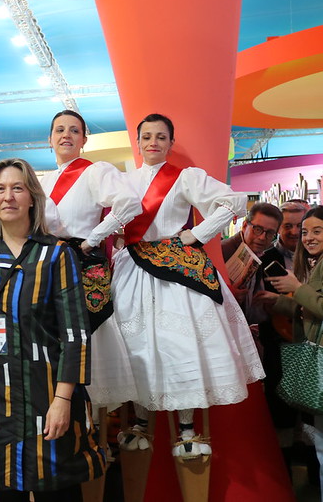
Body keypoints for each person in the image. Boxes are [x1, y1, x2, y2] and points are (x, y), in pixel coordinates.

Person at [112, 113, 263, 458]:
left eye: (160, 136)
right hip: (131, 270)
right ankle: (140, 422)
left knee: (182, 347)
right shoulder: (123, 182)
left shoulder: (184, 178)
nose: (153, 142)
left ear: (170, 142)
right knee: (136, 346)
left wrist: (198, 234)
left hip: (177, 273)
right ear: (137, 142)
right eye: (147, 136)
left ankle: (187, 430)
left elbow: (233, 202)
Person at [0, 158, 104, 501]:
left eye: (17, 188)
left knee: (58, 489)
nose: (8, 196)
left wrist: (62, 400)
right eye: (0, 189)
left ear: (32, 198)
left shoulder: (56, 254)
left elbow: (75, 334)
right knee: (6, 489)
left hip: (47, 396)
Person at [39, 109, 141, 410]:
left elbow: (129, 203)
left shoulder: (96, 172)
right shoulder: (42, 182)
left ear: (84, 139)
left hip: (82, 264)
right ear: (49, 139)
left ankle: (91, 421)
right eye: (59, 130)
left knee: (86, 337)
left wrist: (93, 239)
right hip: (48, 265)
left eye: (74, 130)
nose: (66, 135)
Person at [257, 205, 323, 494]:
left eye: (316, 231)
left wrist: (296, 288)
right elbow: (308, 309)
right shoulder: (309, 261)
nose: (305, 236)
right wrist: (279, 301)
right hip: (301, 352)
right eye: (305, 231)